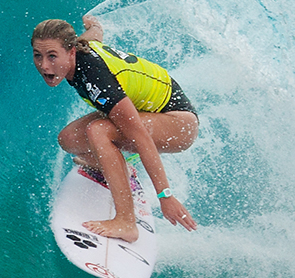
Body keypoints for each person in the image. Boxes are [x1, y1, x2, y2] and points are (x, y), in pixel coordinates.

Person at [30, 15, 199, 242]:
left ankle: (126, 222)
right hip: (150, 112)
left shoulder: (95, 77)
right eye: (38, 56)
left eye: (52, 56)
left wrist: (165, 196)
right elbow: (93, 36)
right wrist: (94, 25)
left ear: (71, 52)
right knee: (69, 139)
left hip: (179, 123)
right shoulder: (80, 47)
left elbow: (140, 136)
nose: (44, 65)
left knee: (99, 131)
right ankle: (117, 165)